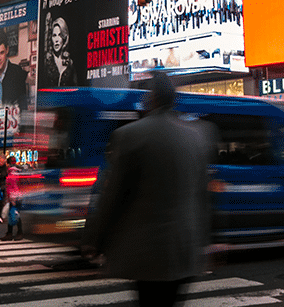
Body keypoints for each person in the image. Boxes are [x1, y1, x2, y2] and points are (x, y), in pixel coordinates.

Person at [83, 74, 213, 307]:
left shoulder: (130, 135)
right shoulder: (197, 137)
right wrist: (208, 241)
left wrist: (96, 240)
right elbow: (203, 197)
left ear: (150, 99)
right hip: (185, 248)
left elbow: (113, 196)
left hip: (148, 253)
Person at [0, 37, 29, 111]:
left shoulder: (17, 72)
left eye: (2, 53)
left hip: (13, 120)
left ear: (7, 50)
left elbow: (23, 105)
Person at [0, 155, 24, 241]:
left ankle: (14, 233)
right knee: (14, 214)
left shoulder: (11, 174)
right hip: (16, 196)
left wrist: (10, 198)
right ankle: (14, 232)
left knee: (15, 214)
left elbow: (12, 187)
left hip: (14, 198)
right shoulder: (16, 172)